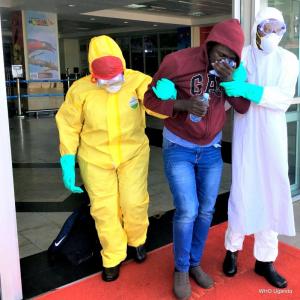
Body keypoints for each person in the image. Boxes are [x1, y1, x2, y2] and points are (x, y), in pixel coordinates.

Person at [144, 19, 250, 299]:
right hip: (179, 146)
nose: (224, 61)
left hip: (211, 150)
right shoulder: (177, 61)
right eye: (220, 54)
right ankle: (180, 269)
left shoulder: (233, 72)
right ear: (210, 42)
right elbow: (149, 100)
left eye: (232, 58)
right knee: (188, 209)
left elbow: (243, 107)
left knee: (205, 210)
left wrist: (229, 82)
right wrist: (181, 104)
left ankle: (194, 263)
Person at [56, 35, 165, 282]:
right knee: (104, 209)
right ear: (93, 74)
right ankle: (113, 255)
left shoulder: (137, 80)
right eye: (105, 79)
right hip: (95, 157)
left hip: (132, 153)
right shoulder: (80, 90)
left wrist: (165, 97)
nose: (113, 82)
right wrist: (67, 159)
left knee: (134, 202)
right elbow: (68, 125)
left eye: (116, 76)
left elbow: (155, 106)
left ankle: (137, 240)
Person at [220, 7, 299, 288]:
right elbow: (228, 94)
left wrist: (251, 90)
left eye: (278, 28)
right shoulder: (241, 55)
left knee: (271, 192)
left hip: (273, 137)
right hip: (246, 132)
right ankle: (232, 250)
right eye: (267, 27)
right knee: (242, 191)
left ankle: (265, 260)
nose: (272, 34)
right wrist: (231, 88)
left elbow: (283, 98)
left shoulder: (289, 60)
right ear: (256, 28)